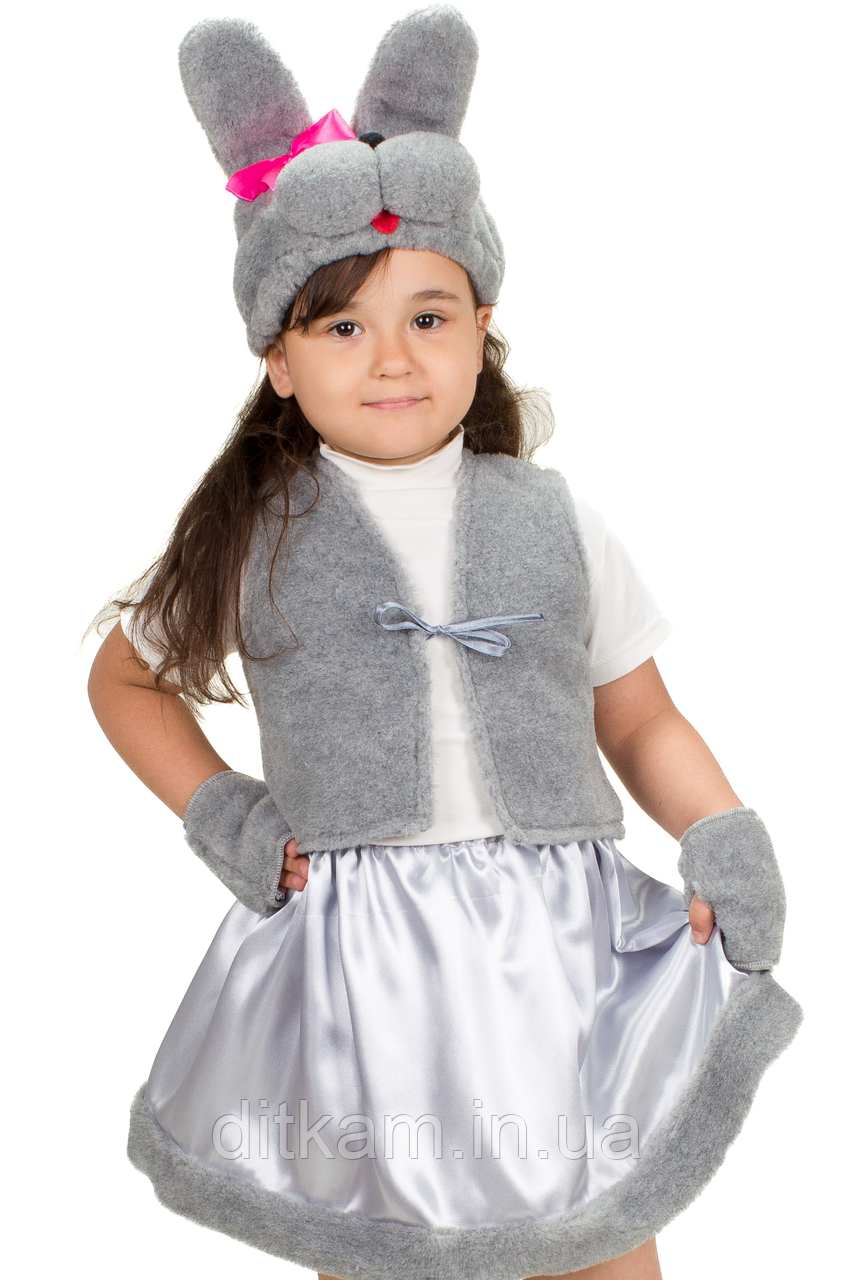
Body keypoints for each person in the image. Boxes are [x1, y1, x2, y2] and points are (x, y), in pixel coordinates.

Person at [87, 10, 802, 1280]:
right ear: (279, 361)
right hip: (366, 965)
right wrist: (227, 814)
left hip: (559, 947)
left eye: (428, 317)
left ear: (482, 328)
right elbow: (126, 679)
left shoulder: (552, 517)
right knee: (380, 1241)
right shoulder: (254, 531)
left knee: (600, 1239)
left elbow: (637, 714)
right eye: (342, 327)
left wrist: (719, 830)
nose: (393, 358)